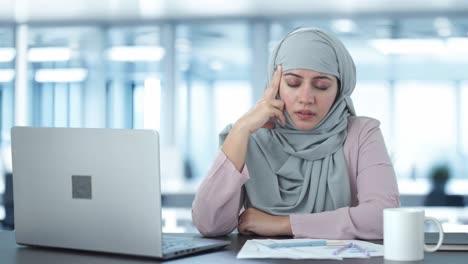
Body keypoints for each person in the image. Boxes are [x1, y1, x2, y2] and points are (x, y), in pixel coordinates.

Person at [191, 27, 400, 239]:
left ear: (339, 90)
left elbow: (384, 218)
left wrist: (284, 224)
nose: (306, 98)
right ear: (275, 84)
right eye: (293, 83)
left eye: (321, 86)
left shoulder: (362, 134)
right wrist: (241, 129)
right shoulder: (249, 137)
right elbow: (209, 224)